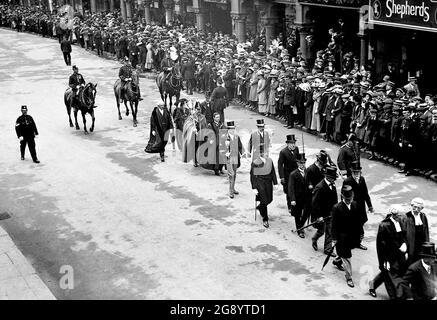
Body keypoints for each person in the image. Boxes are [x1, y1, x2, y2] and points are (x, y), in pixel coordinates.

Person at [369, 205, 408, 299]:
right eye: (400, 216)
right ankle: (393, 296)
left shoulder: (400, 222)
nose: (402, 218)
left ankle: (372, 284)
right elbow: (381, 246)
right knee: (388, 273)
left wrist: (404, 245)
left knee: (387, 272)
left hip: (398, 253)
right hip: (388, 255)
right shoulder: (384, 226)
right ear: (394, 215)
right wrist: (384, 261)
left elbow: (403, 235)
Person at [331, 185, 362, 288]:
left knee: (345, 254)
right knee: (347, 257)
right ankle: (349, 277)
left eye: (350, 199)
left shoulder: (355, 204)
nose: (348, 201)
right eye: (346, 199)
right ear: (342, 197)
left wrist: (361, 232)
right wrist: (334, 239)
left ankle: (337, 260)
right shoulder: (337, 208)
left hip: (352, 237)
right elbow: (334, 225)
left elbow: (358, 221)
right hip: (341, 238)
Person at [343, 161, 373, 250]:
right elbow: (344, 195)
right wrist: (346, 208)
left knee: (361, 222)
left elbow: (365, 193)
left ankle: (357, 242)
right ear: (352, 172)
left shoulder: (362, 179)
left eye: (358, 172)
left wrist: (370, 206)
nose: (357, 174)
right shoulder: (347, 181)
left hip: (361, 206)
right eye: (355, 172)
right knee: (355, 226)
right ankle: (353, 242)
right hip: (352, 207)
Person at [311, 165, 338, 256]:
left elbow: (335, 198)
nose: (334, 180)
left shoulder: (332, 184)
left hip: (330, 212)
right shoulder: (320, 187)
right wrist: (318, 216)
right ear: (327, 177)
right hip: (321, 214)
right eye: (332, 178)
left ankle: (327, 249)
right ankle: (314, 238)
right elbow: (315, 204)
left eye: (334, 178)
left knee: (329, 230)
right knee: (322, 230)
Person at [250, 156, 278, 228]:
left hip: (268, 183)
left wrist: (275, 182)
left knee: (269, 199)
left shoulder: (269, 160)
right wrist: (254, 188)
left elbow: (273, 172)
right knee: (264, 201)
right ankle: (265, 219)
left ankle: (260, 207)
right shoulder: (255, 162)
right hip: (260, 183)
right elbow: (252, 176)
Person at [404, 197, 430, 265]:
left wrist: (427, 247)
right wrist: (405, 251)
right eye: (415, 207)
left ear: (422, 208)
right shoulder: (406, 217)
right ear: (411, 206)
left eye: (419, 208)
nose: (416, 209)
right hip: (411, 245)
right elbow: (403, 236)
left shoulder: (423, 216)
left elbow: (426, 232)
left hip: (421, 245)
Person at [277, 134, 299, 213]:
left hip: (296, 173)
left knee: (296, 189)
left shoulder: (296, 149)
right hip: (287, 174)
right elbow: (280, 165)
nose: (293, 145)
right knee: (289, 191)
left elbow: (298, 160)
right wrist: (282, 177)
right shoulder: (283, 152)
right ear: (288, 144)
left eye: (294, 143)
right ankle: (290, 206)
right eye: (291, 143)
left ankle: (296, 204)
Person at [287, 152, 307, 238]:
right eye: (300, 163)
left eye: (304, 162)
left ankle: (301, 225)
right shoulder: (293, 174)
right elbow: (290, 188)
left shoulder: (307, 171)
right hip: (297, 198)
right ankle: (299, 230)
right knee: (297, 215)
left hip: (306, 198)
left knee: (306, 213)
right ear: (297, 163)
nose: (302, 164)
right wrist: (292, 199)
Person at [225, 121, 244, 199]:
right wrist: (225, 153)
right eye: (231, 129)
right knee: (231, 174)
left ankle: (233, 188)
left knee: (234, 174)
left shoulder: (236, 137)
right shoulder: (225, 137)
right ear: (228, 129)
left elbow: (240, 147)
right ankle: (231, 191)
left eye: (233, 129)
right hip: (229, 158)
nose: (232, 130)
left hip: (235, 158)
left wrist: (243, 153)